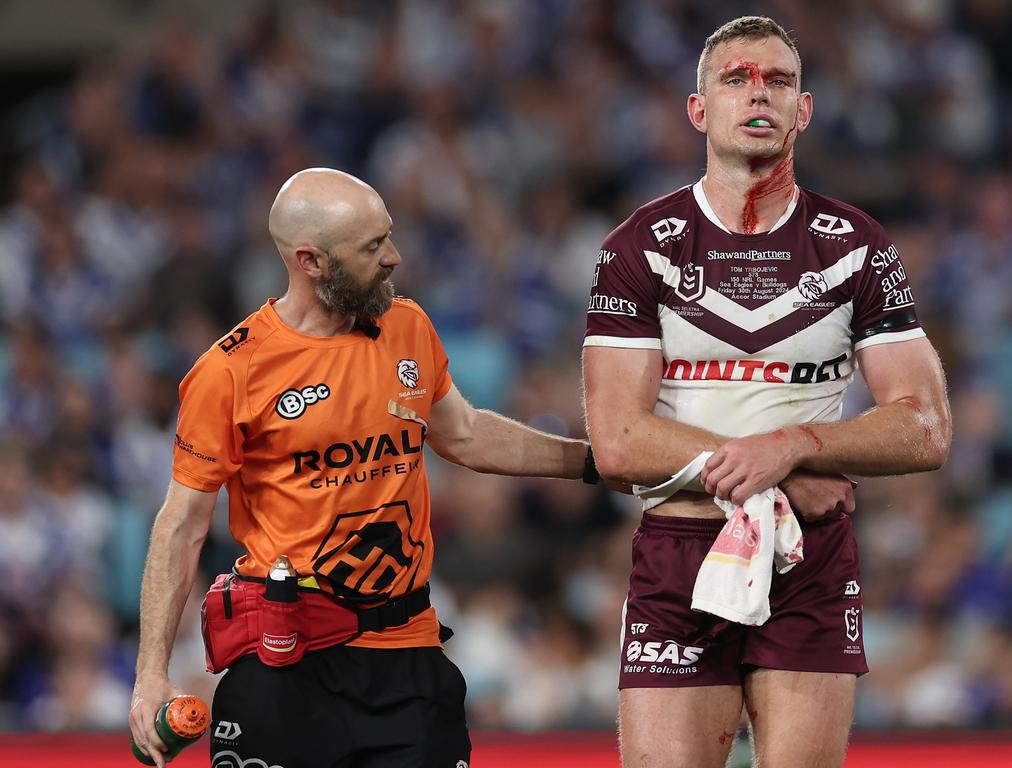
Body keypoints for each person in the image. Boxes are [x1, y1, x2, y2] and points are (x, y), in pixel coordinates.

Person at [128, 167, 598, 768]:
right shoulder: (230, 371)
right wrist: (150, 675)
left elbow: (467, 434)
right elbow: (182, 525)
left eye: (389, 236)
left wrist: (595, 463)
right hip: (285, 664)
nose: (395, 257)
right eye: (373, 246)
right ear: (310, 261)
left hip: (409, 663)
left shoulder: (408, 327)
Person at [583, 16, 951, 768]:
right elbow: (617, 442)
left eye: (778, 81)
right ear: (699, 110)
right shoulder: (640, 247)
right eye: (736, 79)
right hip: (681, 549)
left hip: (808, 562)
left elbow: (926, 427)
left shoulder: (857, 248)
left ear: (803, 110)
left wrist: (794, 446)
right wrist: (772, 468)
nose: (760, 94)